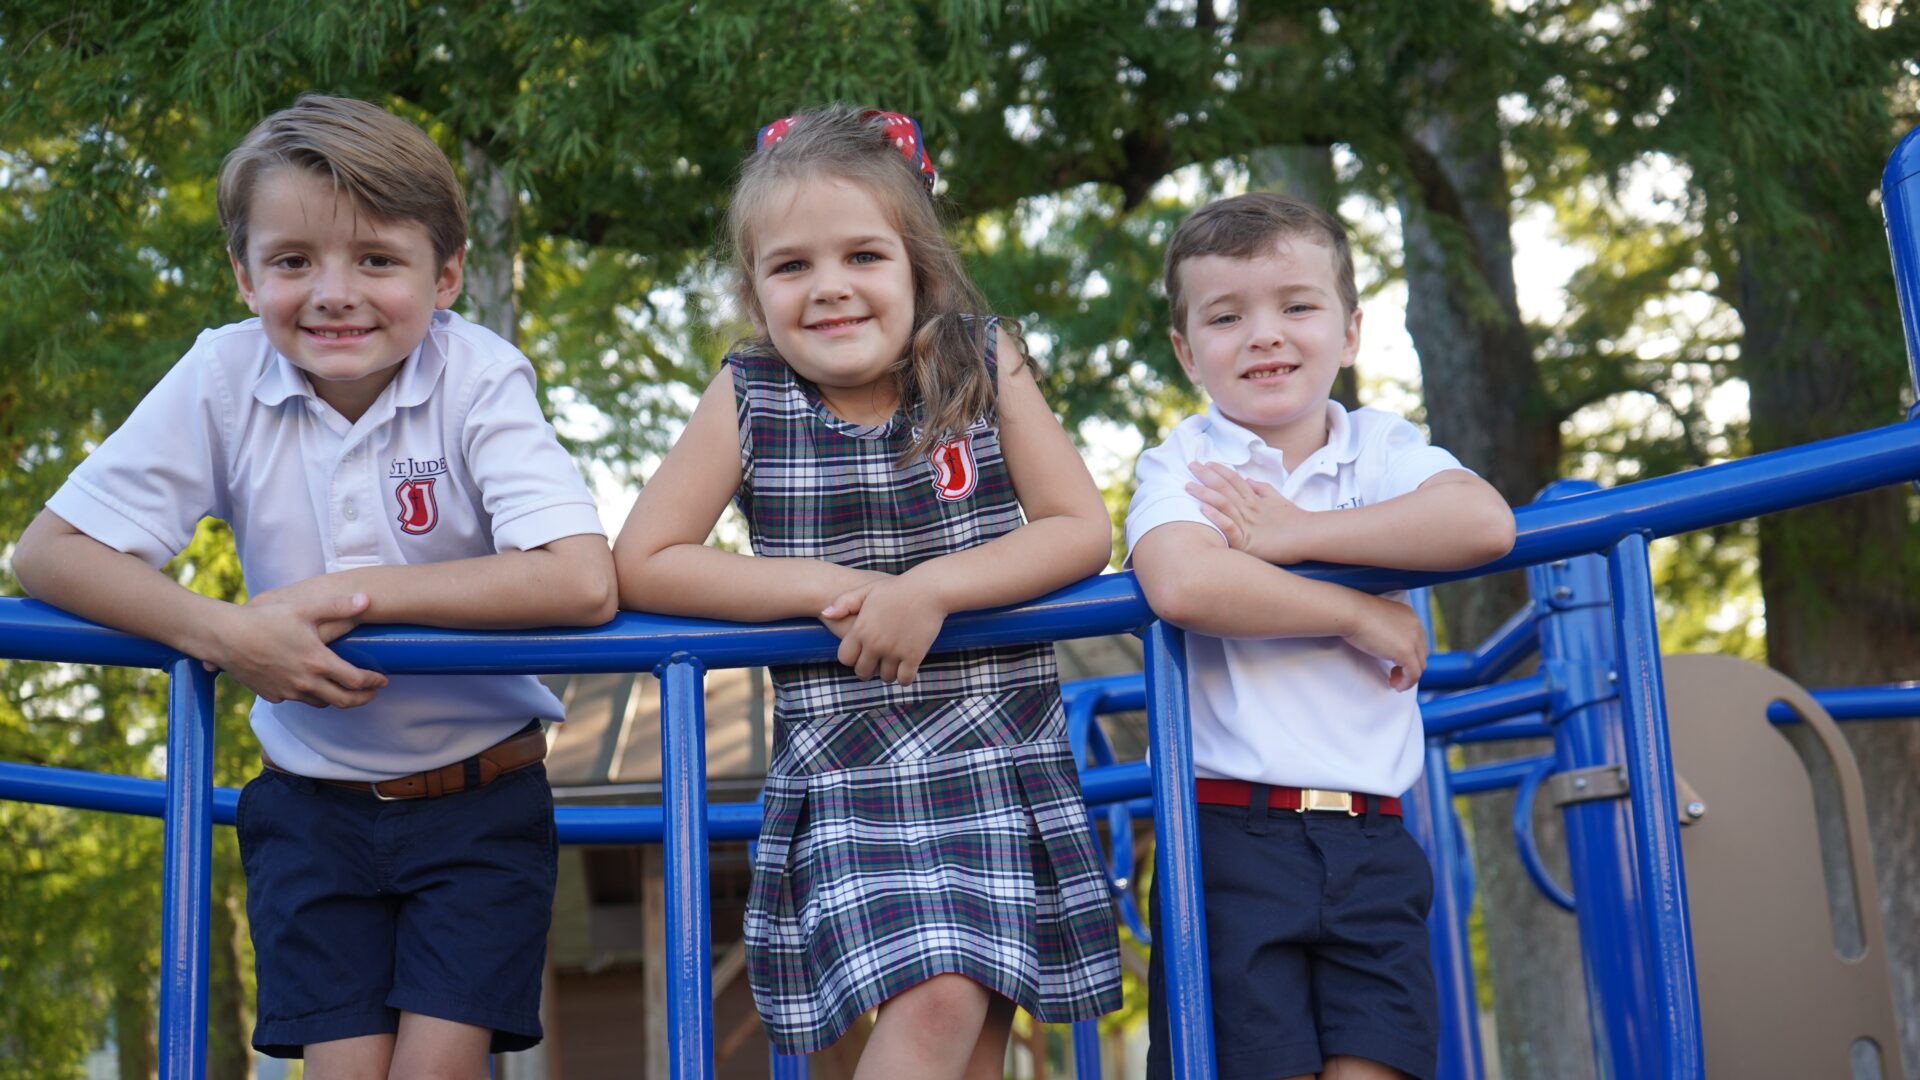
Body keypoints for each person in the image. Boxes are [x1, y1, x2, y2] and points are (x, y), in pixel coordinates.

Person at [12, 94, 615, 1077]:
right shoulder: (222, 376)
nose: (335, 292)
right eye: (294, 262)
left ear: (446, 274)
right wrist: (225, 632)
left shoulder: (478, 378)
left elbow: (582, 578)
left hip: (478, 798)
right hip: (309, 806)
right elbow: (49, 552)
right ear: (245, 277)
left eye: (377, 260)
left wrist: (351, 597)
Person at [613, 105, 1122, 1078]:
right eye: (792, 266)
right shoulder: (752, 393)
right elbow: (646, 557)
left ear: (917, 268)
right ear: (755, 290)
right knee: (936, 1001)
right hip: (852, 771)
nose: (830, 289)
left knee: (975, 1038)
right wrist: (825, 588)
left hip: (996, 753)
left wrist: (931, 589)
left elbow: (1079, 529)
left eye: (863, 257)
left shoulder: (983, 363)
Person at [1126, 192, 1516, 1080]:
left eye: (1297, 306)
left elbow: (1482, 524)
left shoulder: (1379, 449)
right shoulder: (1188, 462)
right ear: (1188, 351)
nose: (1265, 335)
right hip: (1230, 840)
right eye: (1227, 317)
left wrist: (1293, 537)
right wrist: (1355, 610)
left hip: (1375, 841)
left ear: (1349, 333)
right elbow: (1183, 579)